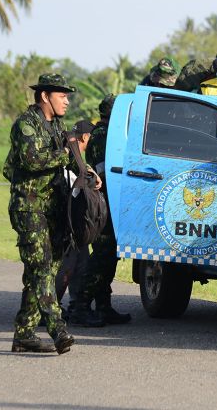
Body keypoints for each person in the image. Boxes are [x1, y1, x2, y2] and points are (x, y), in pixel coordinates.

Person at [4, 73, 99, 355]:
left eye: (68, 96)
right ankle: (58, 329)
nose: (67, 101)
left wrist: (88, 171)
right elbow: (34, 159)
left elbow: (72, 156)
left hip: (54, 208)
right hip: (28, 208)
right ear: (45, 96)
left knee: (42, 270)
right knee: (43, 267)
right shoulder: (25, 125)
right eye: (62, 96)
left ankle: (23, 334)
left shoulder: (58, 126)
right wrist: (66, 151)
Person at [71, 95, 132, 327]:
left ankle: (103, 307)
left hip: (109, 200)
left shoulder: (104, 133)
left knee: (108, 256)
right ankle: (81, 307)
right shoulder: (104, 135)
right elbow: (104, 171)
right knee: (102, 256)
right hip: (104, 202)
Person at [54, 120, 95, 320]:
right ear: (84, 138)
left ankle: (76, 306)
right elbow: (74, 183)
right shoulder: (69, 157)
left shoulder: (75, 158)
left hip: (74, 220)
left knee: (81, 262)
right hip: (66, 220)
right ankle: (50, 309)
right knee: (67, 265)